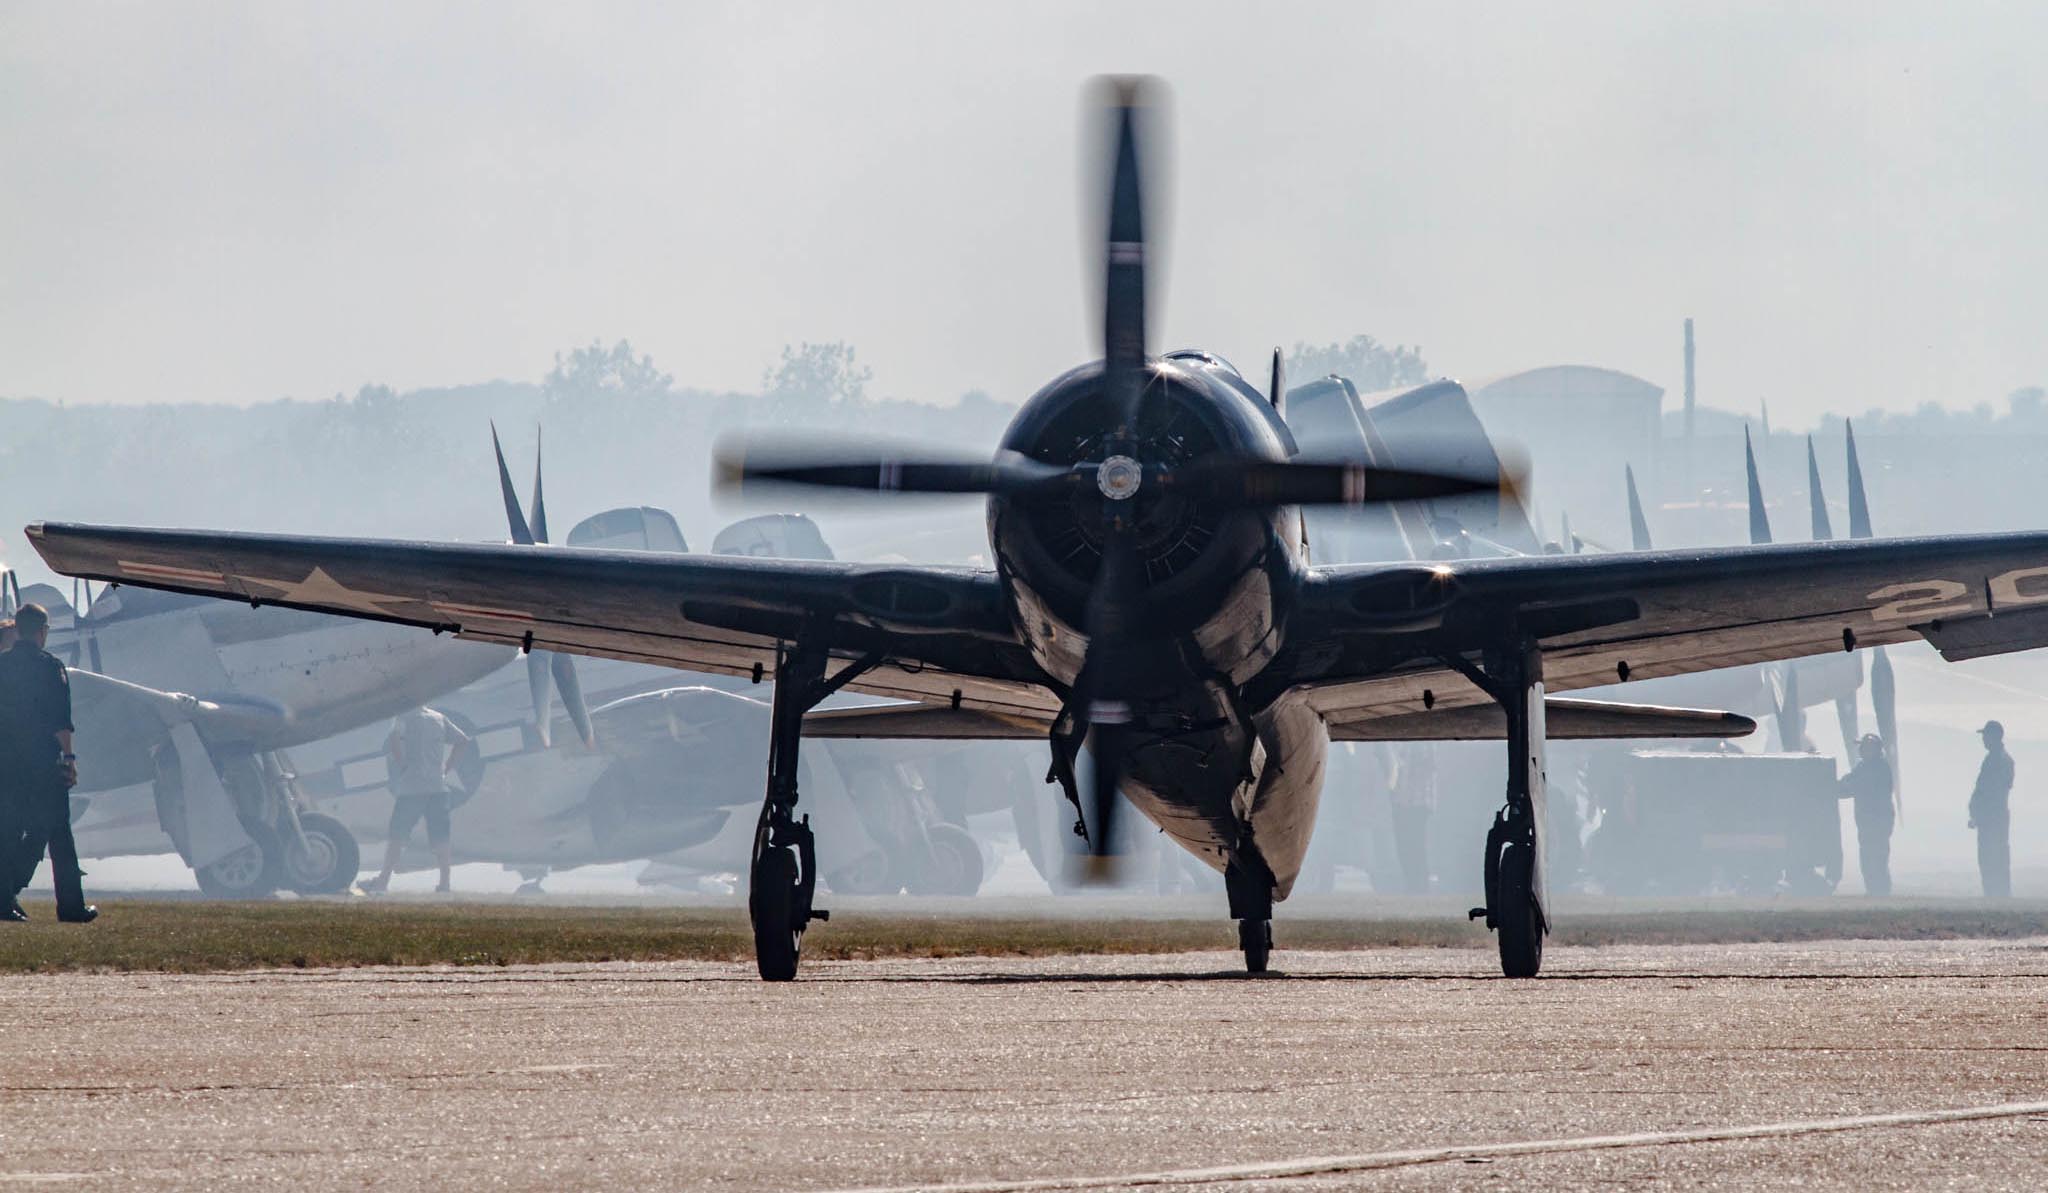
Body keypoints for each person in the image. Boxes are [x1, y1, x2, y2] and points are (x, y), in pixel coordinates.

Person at [0, 604, 95, 922]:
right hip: (43, 762)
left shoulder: (2, 665)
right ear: (41, 631)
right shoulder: (50, 667)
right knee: (58, 834)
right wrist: (69, 758)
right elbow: (60, 721)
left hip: (7, 764)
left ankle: (3, 899)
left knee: (7, 830)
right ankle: (70, 907)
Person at [361, 705, 472, 894]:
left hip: (412, 788)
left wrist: (403, 764)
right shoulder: (439, 717)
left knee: (398, 835)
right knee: (441, 837)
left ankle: (383, 881)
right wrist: (446, 768)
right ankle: (445, 884)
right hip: (438, 787)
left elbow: (394, 740)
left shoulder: (402, 716)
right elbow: (463, 741)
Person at [1837, 733, 1894, 897]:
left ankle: (1880, 890)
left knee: (1876, 856)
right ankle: (1874, 889)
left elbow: (1855, 785)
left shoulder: (1878, 768)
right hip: (1867, 821)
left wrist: (1838, 788)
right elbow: (1849, 783)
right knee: (1868, 855)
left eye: (1865, 748)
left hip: (1878, 821)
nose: (1862, 751)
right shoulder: (1864, 766)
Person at [1968, 720, 2015, 898]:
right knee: (1989, 857)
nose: (1984, 740)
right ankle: (1994, 895)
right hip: (1990, 817)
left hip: (1993, 818)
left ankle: (1998, 895)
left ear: (1995, 737)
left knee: (1993, 857)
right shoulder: (1996, 759)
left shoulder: (2000, 760)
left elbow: (1992, 792)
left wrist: (1980, 814)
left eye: (1986, 736)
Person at [1387, 742, 1436, 894]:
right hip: (1404, 801)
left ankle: (1418, 885)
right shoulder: (1405, 744)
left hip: (1416, 802)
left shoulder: (1422, 744)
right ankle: (1413, 884)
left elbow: (1419, 768)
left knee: (1414, 845)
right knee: (1406, 845)